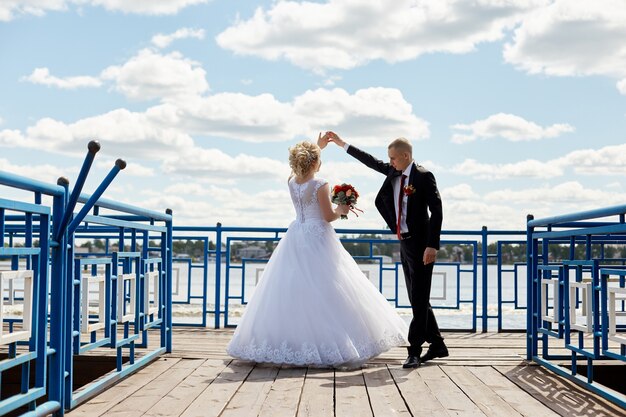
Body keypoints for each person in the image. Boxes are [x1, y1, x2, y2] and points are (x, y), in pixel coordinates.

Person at [226, 138, 408, 368]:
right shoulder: (320, 183)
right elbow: (327, 216)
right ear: (315, 162)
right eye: (319, 158)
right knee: (330, 286)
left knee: (295, 288)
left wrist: (317, 147)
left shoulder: (292, 181)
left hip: (297, 234)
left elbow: (300, 167)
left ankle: (290, 342)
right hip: (318, 236)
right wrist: (342, 210)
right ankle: (336, 343)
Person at [326, 131, 448, 368]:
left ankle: (414, 350)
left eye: (393, 158)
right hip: (405, 242)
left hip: (422, 245)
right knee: (417, 296)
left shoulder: (423, 176)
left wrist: (432, 245)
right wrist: (343, 144)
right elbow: (371, 161)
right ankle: (437, 344)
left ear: (405, 155)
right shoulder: (394, 172)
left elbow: (437, 211)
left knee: (419, 299)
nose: (390, 162)